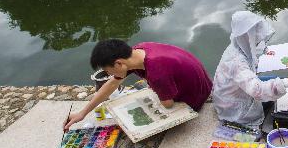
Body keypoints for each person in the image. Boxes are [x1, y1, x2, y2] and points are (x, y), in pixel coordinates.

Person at [212, 11, 288, 129]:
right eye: (255, 36)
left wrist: (265, 51)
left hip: (236, 93)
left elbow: (251, 49)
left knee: (280, 81)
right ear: (247, 35)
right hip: (234, 109)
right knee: (286, 87)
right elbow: (257, 91)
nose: (258, 39)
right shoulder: (237, 63)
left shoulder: (237, 42)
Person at [64, 39, 212, 130]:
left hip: (195, 97)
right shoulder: (138, 51)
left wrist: (156, 91)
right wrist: (83, 113)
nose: (109, 74)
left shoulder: (156, 72)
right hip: (201, 82)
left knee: (139, 120)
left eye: (108, 71)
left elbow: (168, 104)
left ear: (118, 63)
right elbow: (111, 84)